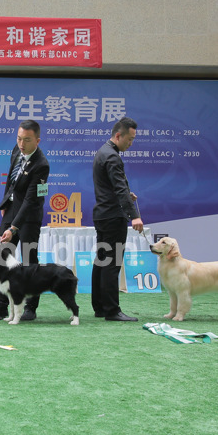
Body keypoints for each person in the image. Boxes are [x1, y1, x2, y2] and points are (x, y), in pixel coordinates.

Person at [0, 120, 50, 322]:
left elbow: (31, 200)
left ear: (37, 140)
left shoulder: (42, 165)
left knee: (29, 261)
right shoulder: (16, 150)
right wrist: (5, 203)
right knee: (2, 256)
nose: (21, 144)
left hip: (29, 217)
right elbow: (11, 179)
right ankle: (1, 306)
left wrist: (14, 227)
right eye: (19, 139)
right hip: (11, 210)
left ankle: (31, 308)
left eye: (26, 140)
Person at [91, 117, 144, 322]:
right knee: (112, 264)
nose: (131, 143)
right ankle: (112, 310)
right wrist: (135, 216)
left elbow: (111, 188)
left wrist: (126, 196)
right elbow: (120, 188)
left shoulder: (102, 152)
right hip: (113, 217)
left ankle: (100, 307)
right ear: (119, 135)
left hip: (102, 214)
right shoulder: (113, 157)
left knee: (101, 260)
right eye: (130, 139)